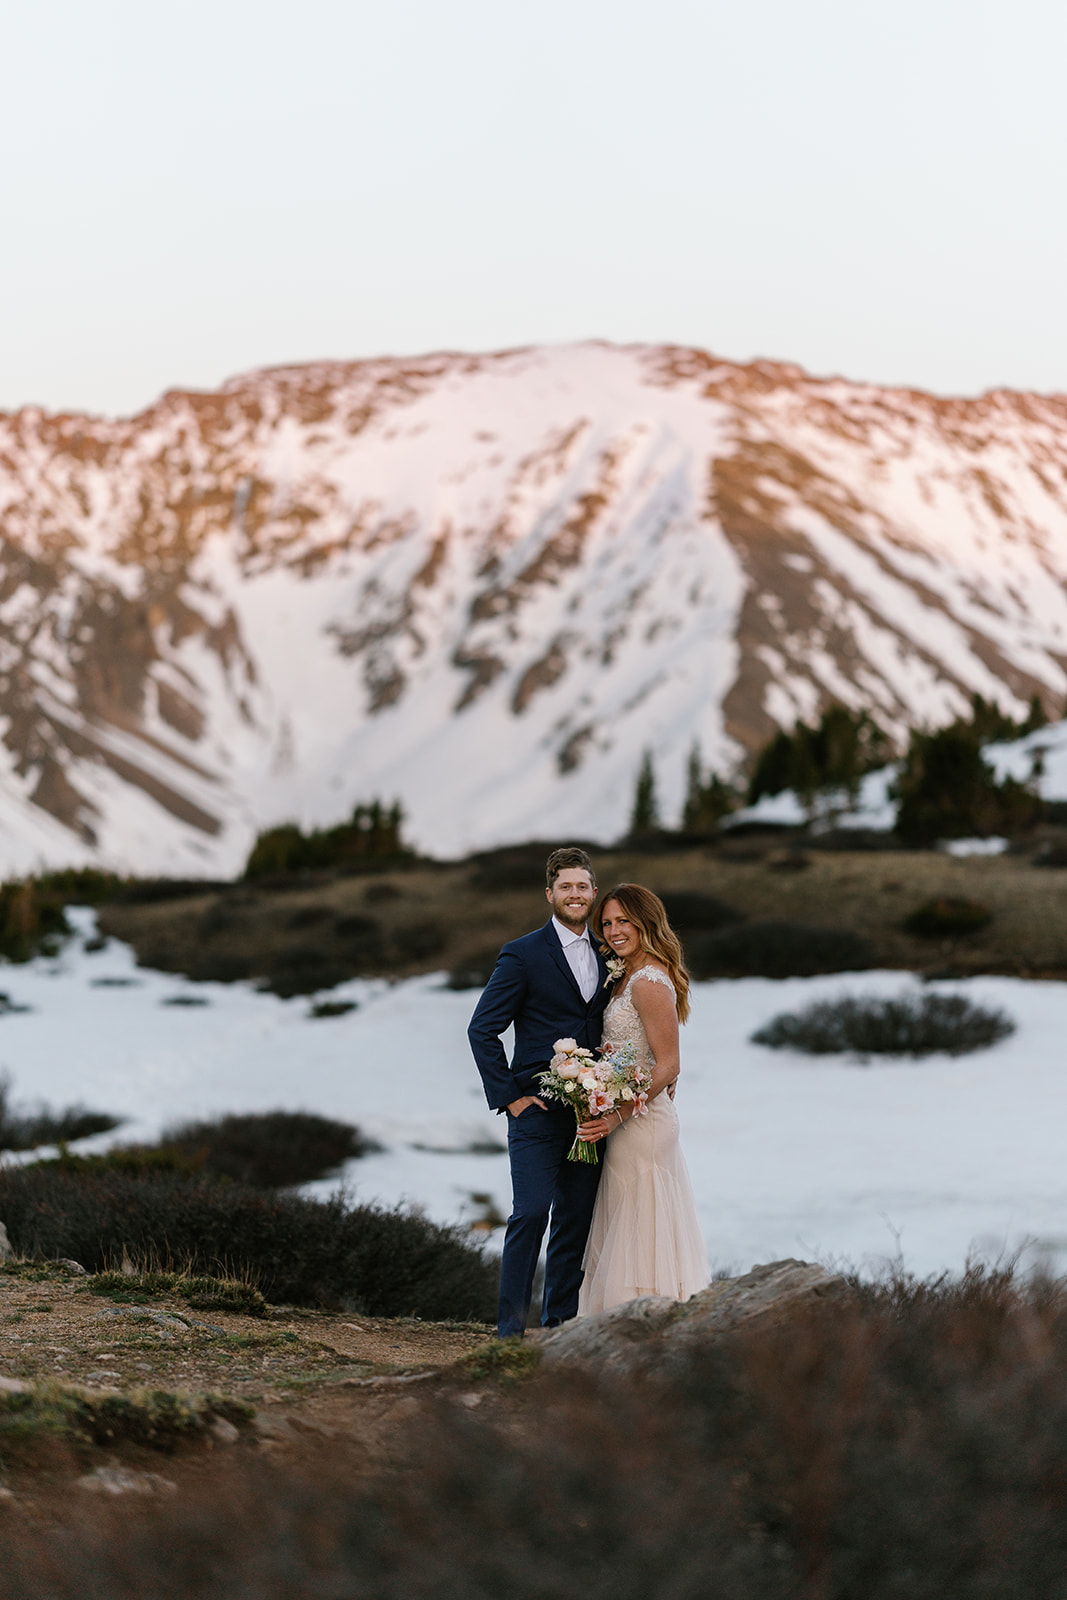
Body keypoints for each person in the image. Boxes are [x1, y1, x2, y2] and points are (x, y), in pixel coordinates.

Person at [468, 847, 610, 1338]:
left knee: (574, 1222)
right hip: (536, 1109)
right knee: (529, 1214)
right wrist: (510, 1097)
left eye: (583, 886)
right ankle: (509, 1331)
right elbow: (482, 1029)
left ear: (594, 893)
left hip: (591, 1114)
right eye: (565, 887)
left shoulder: (610, 953)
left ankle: (559, 1329)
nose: (575, 895)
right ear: (550, 894)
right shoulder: (523, 953)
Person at [575, 883, 708, 1313]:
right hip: (627, 1117)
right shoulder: (621, 973)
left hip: (642, 1125)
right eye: (607, 923)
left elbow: (668, 1064)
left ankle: (643, 1324)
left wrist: (614, 1118)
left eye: (623, 921)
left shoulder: (649, 980)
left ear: (645, 922)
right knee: (626, 1225)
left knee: (643, 1227)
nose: (614, 931)